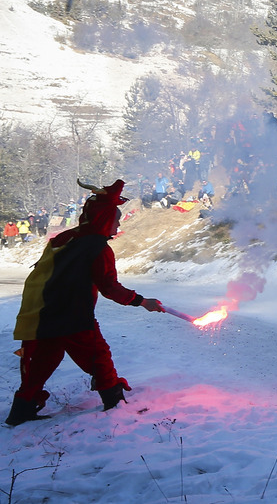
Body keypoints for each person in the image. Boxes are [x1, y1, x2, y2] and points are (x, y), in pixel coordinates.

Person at [5, 179, 165, 426]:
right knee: (98, 355)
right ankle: (114, 402)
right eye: (116, 218)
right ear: (105, 219)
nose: (119, 223)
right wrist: (143, 302)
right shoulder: (97, 247)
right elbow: (109, 287)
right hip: (73, 315)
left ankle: (22, 410)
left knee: (44, 359)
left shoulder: (68, 237)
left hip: (45, 312)